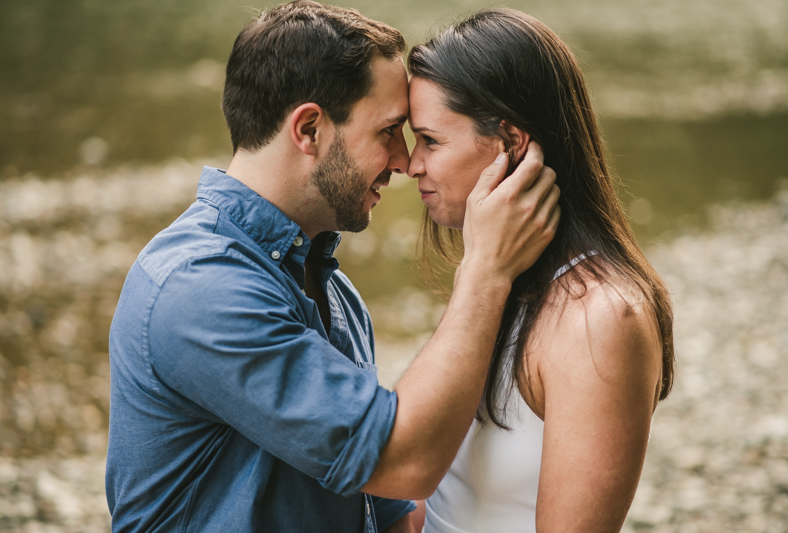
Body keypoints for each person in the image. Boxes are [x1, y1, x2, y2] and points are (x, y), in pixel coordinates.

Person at [105, 2, 561, 532]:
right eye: (389, 130)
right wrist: (486, 270)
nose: (404, 160)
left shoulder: (333, 291)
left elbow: (384, 512)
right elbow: (403, 463)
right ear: (310, 129)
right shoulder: (198, 286)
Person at [404, 8, 675, 533]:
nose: (413, 164)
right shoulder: (495, 276)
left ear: (511, 143)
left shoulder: (599, 318)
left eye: (431, 140)